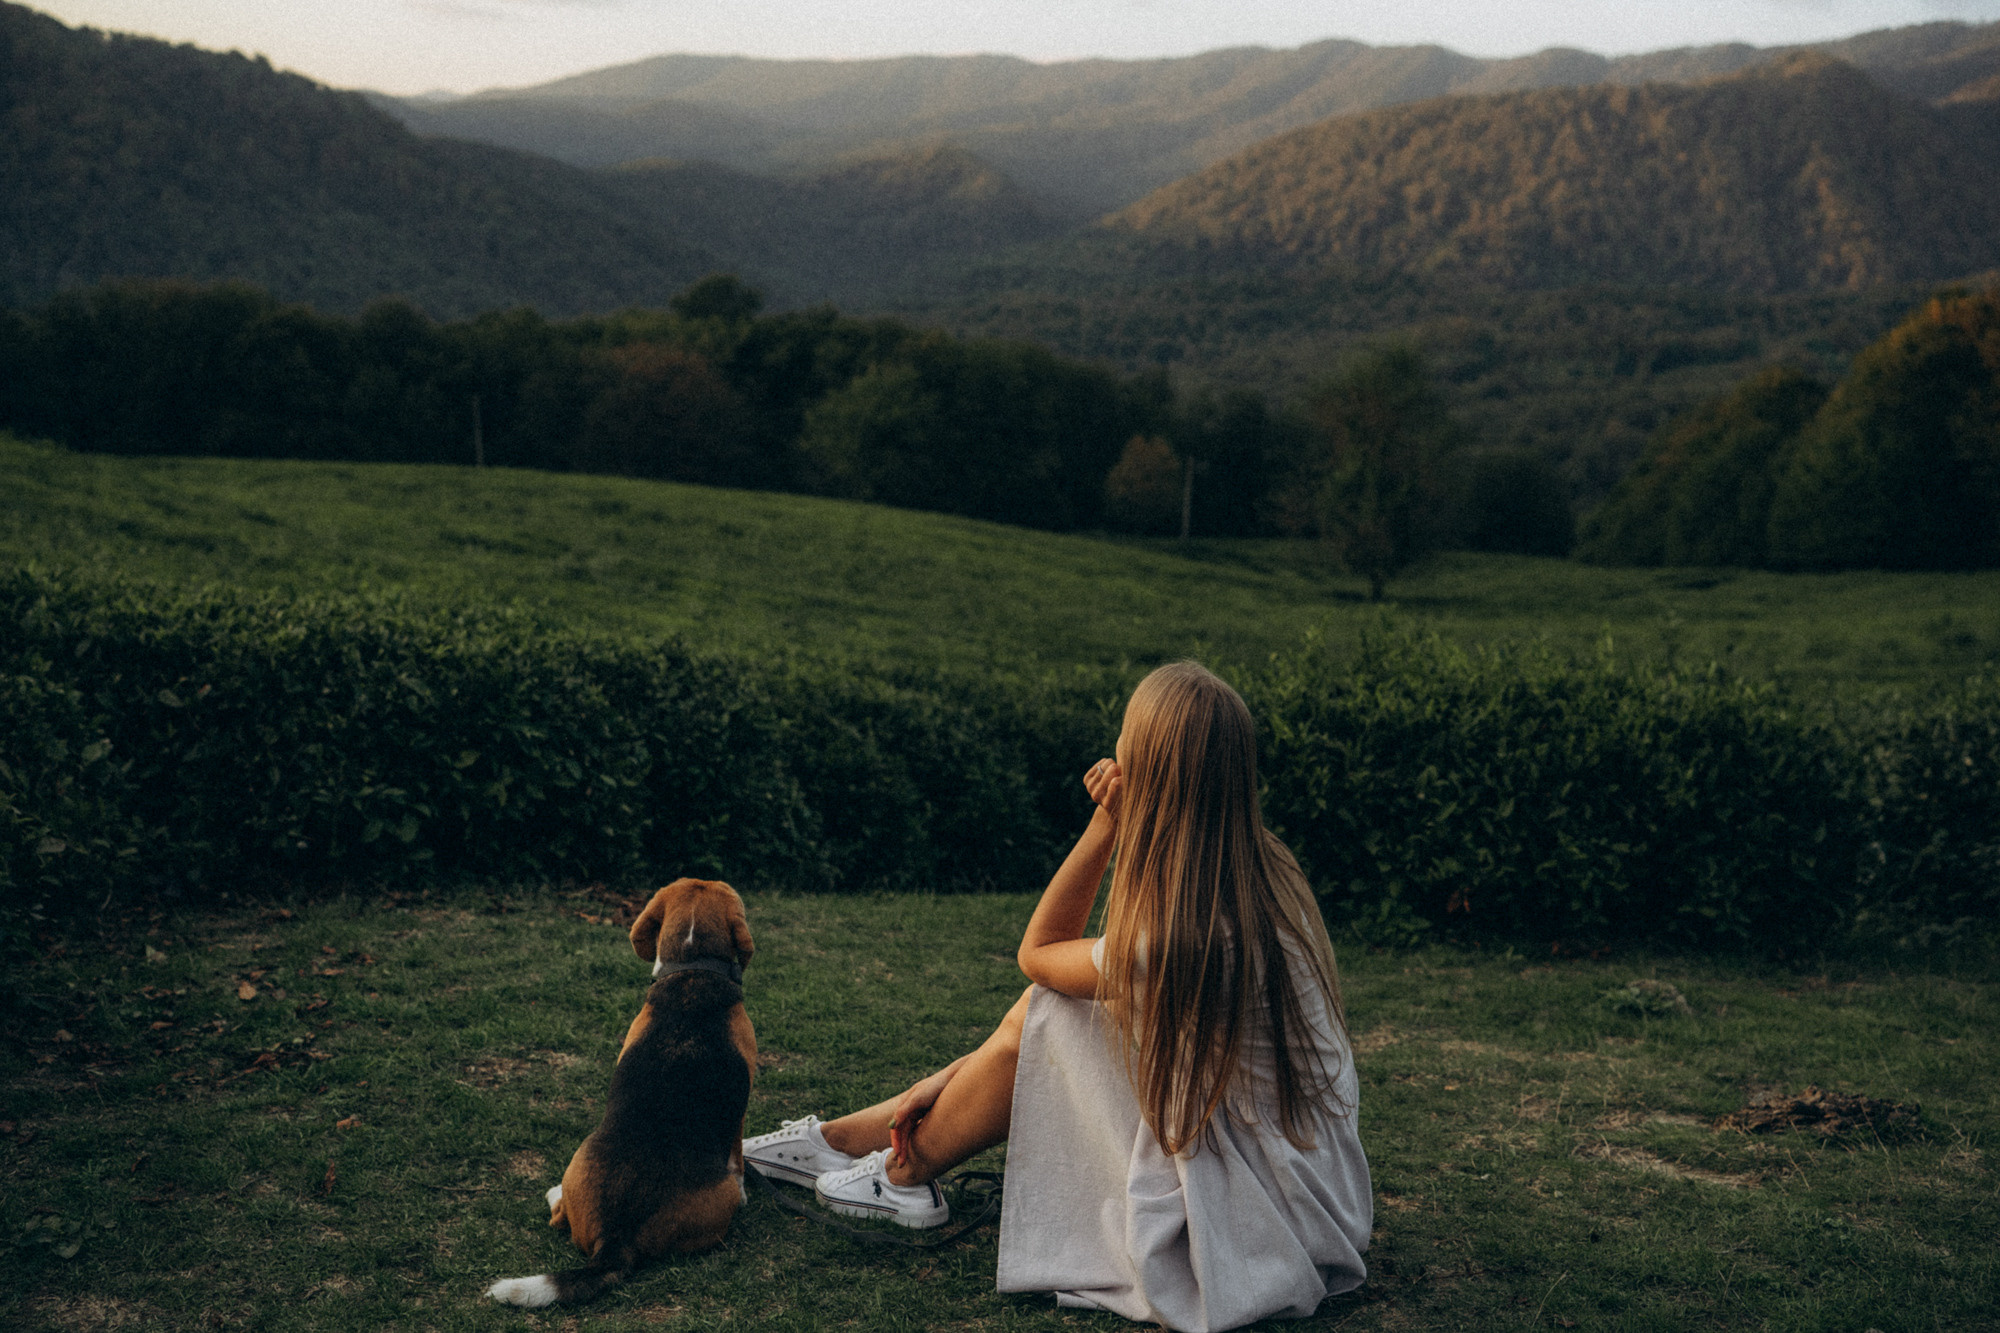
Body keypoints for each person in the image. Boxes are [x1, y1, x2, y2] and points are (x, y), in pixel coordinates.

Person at [743, 662, 1372, 1331]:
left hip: (1261, 1214)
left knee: (1055, 1006)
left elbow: (1038, 951)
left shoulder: (1179, 940)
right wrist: (948, 1076)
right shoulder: (1264, 871)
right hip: (1314, 1184)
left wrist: (1106, 822)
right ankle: (841, 1140)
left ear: (1148, 771)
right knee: (1058, 1010)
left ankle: (903, 1174)